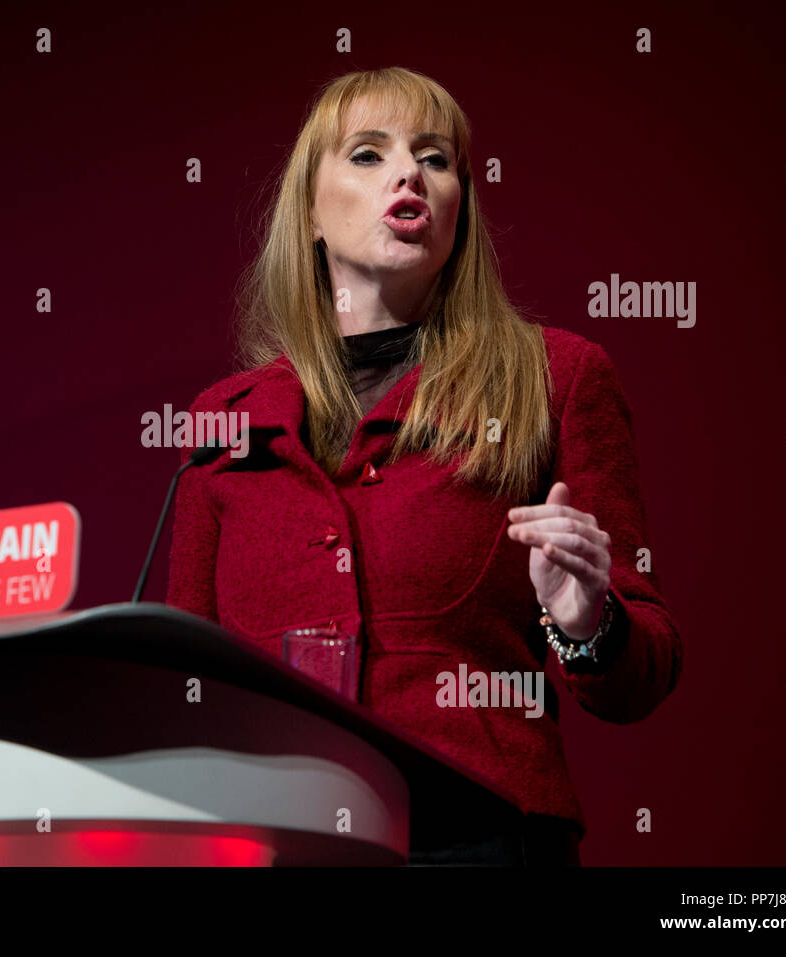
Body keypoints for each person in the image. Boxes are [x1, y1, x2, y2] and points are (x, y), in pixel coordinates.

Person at [165, 67, 683, 866]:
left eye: (435, 158)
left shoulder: (558, 377)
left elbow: (643, 668)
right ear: (310, 208)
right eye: (368, 155)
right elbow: (181, 682)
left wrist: (587, 621)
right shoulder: (222, 420)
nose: (409, 173)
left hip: (476, 834)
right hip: (272, 837)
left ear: (458, 209)